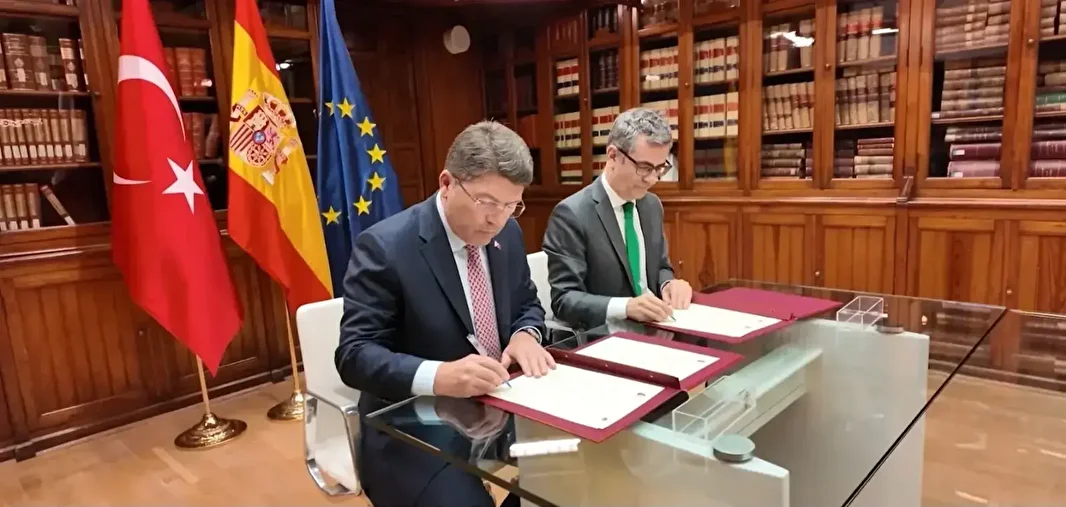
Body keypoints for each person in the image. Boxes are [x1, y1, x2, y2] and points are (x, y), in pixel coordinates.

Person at [335, 120, 555, 507]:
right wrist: (439, 375)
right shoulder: (385, 248)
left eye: (511, 206)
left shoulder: (508, 234)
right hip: (416, 428)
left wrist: (526, 334)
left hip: (502, 406)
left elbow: (526, 304)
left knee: (579, 474)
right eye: (487, 202)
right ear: (447, 183)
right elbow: (355, 355)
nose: (497, 219)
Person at [542, 107, 693, 330]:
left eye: (660, 168)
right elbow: (564, 300)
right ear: (613, 155)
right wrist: (625, 307)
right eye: (644, 167)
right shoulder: (572, 214)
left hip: (655, 326)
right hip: (606, 334)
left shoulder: (651, 205)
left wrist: (668, 284)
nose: (652, 179)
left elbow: (660, 267)